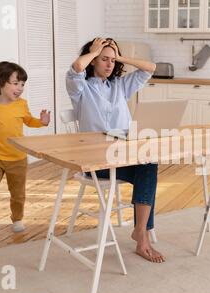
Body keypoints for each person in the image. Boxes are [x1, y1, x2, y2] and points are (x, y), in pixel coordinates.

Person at [66, 38, 165, 263]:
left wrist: (118, 55)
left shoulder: (119, 85)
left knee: (149, 164)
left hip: (122, 155)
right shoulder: (80, 87)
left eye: (113, 60)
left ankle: (141, 233)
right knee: (146, 171)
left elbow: (150, 68)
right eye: (104, 59)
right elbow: (77, 68)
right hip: (95, 161)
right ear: (93, 60)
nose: (110, 64)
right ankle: (143, 234)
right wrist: (94, 51)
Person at [0, 62, 51, 241]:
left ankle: (17, 218)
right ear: (1, 82)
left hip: (18, 158)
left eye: (22, 84)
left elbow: (28, 121)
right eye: (15, 83)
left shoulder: (22, 104)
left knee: (18, 193)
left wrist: (41, 122)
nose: (20, 88)